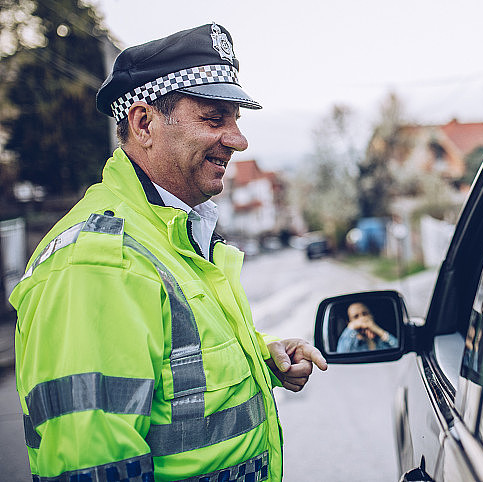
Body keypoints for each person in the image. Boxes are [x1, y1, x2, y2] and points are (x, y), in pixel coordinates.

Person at [11, 23, 327, 481]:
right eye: (214, 119)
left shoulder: (167, 233)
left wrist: (264, 357)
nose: (239, 140)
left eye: (236, 120)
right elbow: (94, 469)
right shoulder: (102, 261)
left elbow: (175, 363)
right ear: (144, 124)